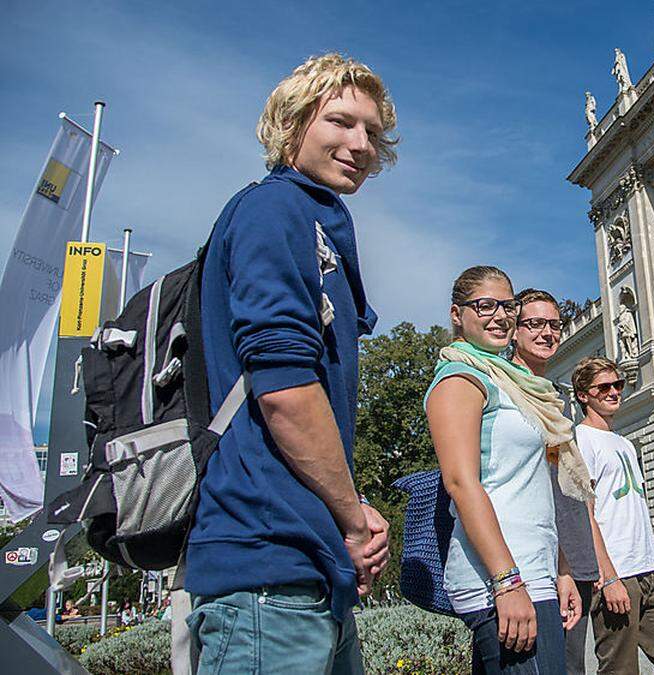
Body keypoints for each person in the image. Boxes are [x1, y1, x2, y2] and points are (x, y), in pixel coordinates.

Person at [185, 53, 397, 673]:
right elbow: (284, 390)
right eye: (340, 122)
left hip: (306, 565)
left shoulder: (317, 218)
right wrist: (352, 516)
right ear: (292, 122)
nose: (361, 144)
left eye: (373, 132)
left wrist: (348, 509)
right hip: (264, 569)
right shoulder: (274, 210)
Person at [426, 267, 593, 674]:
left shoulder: (515, 383)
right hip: (499, 579)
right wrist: (506, 583)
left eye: (507, 305)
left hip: (534, 570)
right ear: (456, 314)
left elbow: (533, 491)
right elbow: (461, 484)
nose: (500, 316)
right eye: (485, 305)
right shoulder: (460, 378)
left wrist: (561, 571)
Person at [573, 356, 654, 674]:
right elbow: (585, 513)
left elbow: (638, 512)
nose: (614, 392)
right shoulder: (580, 440)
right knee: (620, 669)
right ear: (584, 395)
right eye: (604, 387)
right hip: (617, 574)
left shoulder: (625, 443)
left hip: (648, 572)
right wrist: (608, 577)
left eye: (618, 385)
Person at [509, 288, 599, 675]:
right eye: (535, 324)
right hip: (534, 565)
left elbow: (574, 493)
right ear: (513, 330)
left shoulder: (554, 400)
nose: (547, 333)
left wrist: (588, 566)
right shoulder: (507, 391)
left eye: (554, 325)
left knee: (570, 667)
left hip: (572, 560)